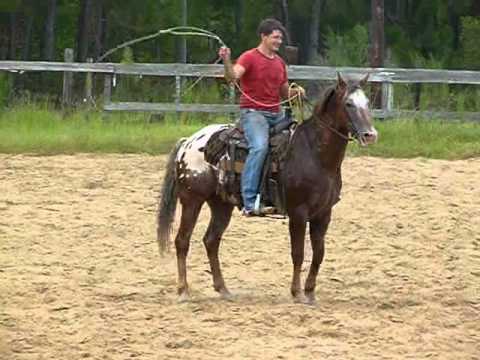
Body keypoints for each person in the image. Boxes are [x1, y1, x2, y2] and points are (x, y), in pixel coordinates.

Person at [218, 18, 304, 216]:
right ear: (264, 37)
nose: (279, 41)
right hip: (253, 113)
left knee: (298, 143)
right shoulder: (249, 57)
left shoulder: (280, 63)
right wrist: (226, 60)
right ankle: (249, 201)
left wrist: (296, 92)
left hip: (276, 113)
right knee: (259, 146)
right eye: (275, 37)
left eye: (280, 38)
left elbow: (284, 92)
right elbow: (232, 77)